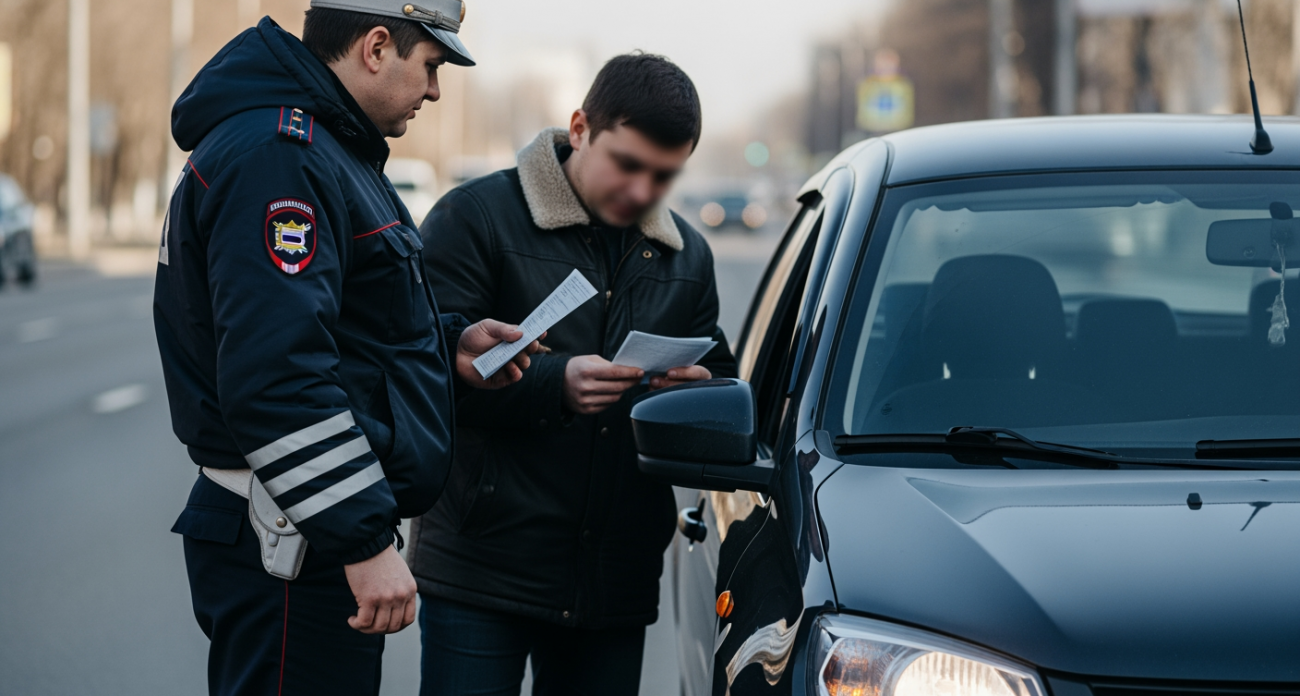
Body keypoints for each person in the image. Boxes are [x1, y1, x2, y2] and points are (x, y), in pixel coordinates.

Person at [154, 3, 542, 694]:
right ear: (375, 46)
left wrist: (449, 347)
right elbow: (278, 378)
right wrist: (360, 539)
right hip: (295, 539)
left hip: (304, 529)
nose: (434, 91)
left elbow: (343, 326)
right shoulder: (283, 158)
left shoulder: (325, 147)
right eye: (429, 66)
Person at [409, 53, 739, 694]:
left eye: (665, 176)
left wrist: (695, 394)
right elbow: (418, 377)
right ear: (580, 127)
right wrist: (552, 383)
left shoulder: (687, 257)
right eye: (628, 164)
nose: (643, 191)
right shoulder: (474, 217)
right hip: (484, 569)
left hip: (613, 581)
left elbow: (720, 384)